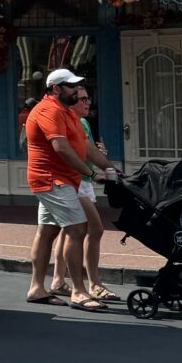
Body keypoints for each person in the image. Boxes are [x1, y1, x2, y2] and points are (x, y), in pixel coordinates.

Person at [23, 69, 101, 311]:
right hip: (52, 180)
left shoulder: (67, 112)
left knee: (47, 231)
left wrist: (111, 168)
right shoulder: (48, 110)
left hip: (63, 179)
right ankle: (79, 291)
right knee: (78, 229)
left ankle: (37, 288)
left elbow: (85, 146)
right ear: (56, 88)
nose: (77, 91)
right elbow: (62, 148)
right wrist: (92, 173)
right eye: (71, 86)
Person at [66, 85, 118, 304]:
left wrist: (100, 159)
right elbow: (81, 151)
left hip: (82, 180)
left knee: (67, 232)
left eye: (89, 99)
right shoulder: (71, 121)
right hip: (74, 181)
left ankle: (66, 281)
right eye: (82, 99)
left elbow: (88, 150)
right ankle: (86, 286)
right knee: (88, 229)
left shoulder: (82, 122)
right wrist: (105, 168)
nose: (87, 103)